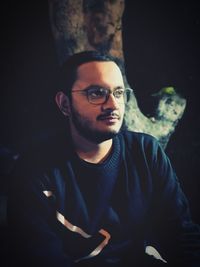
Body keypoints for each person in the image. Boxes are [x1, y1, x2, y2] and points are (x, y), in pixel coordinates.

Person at [8, 51, 200, 267]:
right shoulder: (34, 169)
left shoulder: (146, 153)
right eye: (96, 93)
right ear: (64, 104)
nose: (112, 104)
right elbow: (38, 257)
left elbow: (183, 237)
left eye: (118, 93)